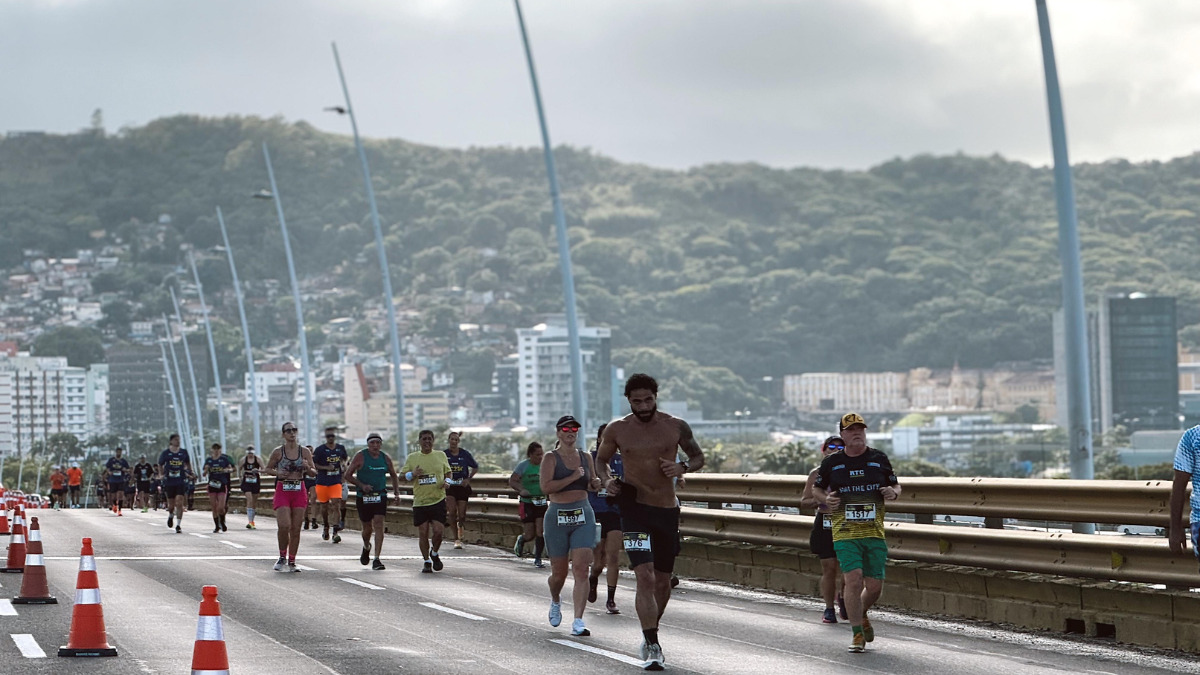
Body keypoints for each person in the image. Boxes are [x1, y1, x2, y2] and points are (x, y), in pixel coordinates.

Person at [597, 373, 705, 671]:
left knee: (662, 580)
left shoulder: (675, 426)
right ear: (628, 400)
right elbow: (601, 460)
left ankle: (649, 630)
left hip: (666, 510)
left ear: (656, 397)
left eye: (648, 400)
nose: (643, 406)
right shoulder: (617, 429)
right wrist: (607, 480)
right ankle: (653, 643)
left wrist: (681, 466)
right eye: (636, 401)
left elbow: (698, 457)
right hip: (634, 510)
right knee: (643, 575)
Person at [811, 413, 901, 654]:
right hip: (845, 532)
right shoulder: (832, 463)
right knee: (853, 579)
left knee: (873, 587)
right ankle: (856, 634)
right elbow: (816, 489)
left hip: (873, 532)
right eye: (851, 430)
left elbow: (895, 484)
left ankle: (860, 613)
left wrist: (894, 492)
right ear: (842, 435)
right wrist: (825, 499)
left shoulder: (878, 458)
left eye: (860, 428)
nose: (857, 433)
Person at [542, 415, 602, 637]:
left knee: (581, 568)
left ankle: (578, 619)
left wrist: (594, 483)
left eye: (574, 429)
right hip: (557, 515)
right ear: (558, 433)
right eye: (566, 429)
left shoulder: (586, 457)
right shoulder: (550, 458)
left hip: (582, 514)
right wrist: (572, 477)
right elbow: (545, 487)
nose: (571, 432)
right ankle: (556, 600)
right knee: (559, 573)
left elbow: (592, 483)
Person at [801, 436, 847, 623]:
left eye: (839, 446)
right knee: (829, 568)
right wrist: (822, 499)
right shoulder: (816, 474)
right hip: (825, 521)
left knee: (848, 567)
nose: (835, 449)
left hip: (847, 522)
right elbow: (803, 502)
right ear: (824, 449)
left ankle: (844, 597)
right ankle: (829, 608)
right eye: (831, 446)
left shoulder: (851, 471)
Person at [343, 432, 401, 570]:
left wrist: (396, 493)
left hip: (380, 495)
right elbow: (347, 475)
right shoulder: (360, 456)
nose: (375, 446)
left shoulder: (385, 458)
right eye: (372, 443)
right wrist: (362, 485)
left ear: (381, 444)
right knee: (367, 528)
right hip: (363, 496)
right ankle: (366, 546)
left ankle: (377, 558)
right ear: (368, 444)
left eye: (378, 443)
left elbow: (393, 474)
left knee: (379, 524)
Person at [265, 422, 316, 572]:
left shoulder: (305, 452)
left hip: (299, 488)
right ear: (283, 434)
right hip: (283, 488)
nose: (292, 433)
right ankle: (282, 556)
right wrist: (277, 473)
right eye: (288, 431)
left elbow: (314, 472)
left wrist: (307, 467)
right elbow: (268, 468)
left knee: (295, 528)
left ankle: (292, 560)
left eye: (294, 430)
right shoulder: (278, 452)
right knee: (284, 525)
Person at [400, 429, 452, 573]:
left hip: (438, 499)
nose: (427, 441)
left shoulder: (440, 455)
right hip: (420, 501)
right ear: (419, 441)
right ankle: (426, 561)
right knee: (423, 532)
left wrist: (447, 481)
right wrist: (413, 474)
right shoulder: (412, 458)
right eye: (424, 439)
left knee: (438, 532)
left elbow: (448, 471)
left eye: (429, 439)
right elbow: (401, 477)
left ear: (433, 440)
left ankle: (434, 553)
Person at [588, 423, 624, 615]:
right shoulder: (590, 459)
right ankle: (593, 578)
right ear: (599, 439)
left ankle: (610, 598)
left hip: (615, 513)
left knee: (613, 557)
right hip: (595, 511)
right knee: (599, 562)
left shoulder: (621, 460)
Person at [509, 442, 548, 567]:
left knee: (540, 531)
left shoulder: (545, 466)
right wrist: (521, 490)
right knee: (530, 534)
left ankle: (538, 558)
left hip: (541, 501)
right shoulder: (523, 466)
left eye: (542, 454)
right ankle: (522, 540)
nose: (540, 457)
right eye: (537, 455)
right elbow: (512, 481)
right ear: (530, 455)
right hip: (527, 503)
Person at [1169, 424, 1200, 572]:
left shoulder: (1192, 436)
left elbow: (1179, 485)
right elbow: (1179, 486)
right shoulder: (1192, 437)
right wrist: (1175, 528)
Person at [313, 426, 349, 543]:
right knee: (324, 507)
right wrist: (325, 467)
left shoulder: (340, 448)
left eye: (332, 436)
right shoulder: (320, 450)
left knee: (336, 504)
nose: (330, 438)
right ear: (325, 437)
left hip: (336, 481)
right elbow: (314, 465)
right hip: (323, 481)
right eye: (328, 436)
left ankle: (335, 531)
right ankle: (326, 526)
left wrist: (343, 465)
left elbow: (344, 459)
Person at [443, 431, 478, 549]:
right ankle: (456, 539)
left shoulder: (464, 454)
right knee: (452, 512)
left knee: (461, 515)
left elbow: (475, 466)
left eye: (456, 440)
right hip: (450, 487)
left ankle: (460, 526)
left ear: (458, 441)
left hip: (462, 486)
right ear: (448, 440)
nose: (453, 442)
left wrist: (468, 479)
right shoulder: (444, 455)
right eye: (452, 439)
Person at [158, 434, 193, 533]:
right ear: (171, 441)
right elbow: (160, 464)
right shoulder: (166, 453)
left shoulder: (183, 452)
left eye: (179, 440)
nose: (178, 441)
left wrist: (191, 472)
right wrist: (161, 474)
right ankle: (170, 515)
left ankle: (178, 525)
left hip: (180, 481)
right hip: (169, 481)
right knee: (171, 505)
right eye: (176, 440)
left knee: (179, 502)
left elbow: (188, 463)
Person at [203, 443, 235, 533]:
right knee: (214, 507)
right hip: (212, 485)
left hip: (222, 485)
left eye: (218, 449)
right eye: (214, 449)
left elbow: (232, 469)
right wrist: (206, 470)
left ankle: (222, 521)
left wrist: (228, 470)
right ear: (212, 450)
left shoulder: (224, 459)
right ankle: (217, 526)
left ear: (220, 450)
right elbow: (204, 473)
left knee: (221, 507)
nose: (216, 451)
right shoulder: (209, 460)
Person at [104, 447, 131, 515]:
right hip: (113, 480)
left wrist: (125, 470)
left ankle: (120, 510)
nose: (119, 453)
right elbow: (107, 468)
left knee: (121, 494)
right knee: (113, 495)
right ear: (116, 452)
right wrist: (109, 472)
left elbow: (128, 469)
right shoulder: (111, 460)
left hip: (121, 479)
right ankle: (114, 505)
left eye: (120, 452)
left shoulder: (123, 461)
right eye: (118, 452)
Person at [240, 446, 263, 529]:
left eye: (251, 453)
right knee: (249, 499)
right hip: (247, 482)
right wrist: (241, 477)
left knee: (254, 502)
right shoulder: (243, 460)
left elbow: (263, 469)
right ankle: (250, 521)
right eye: (249, 453)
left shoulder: (258, 459)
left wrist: (258, 471)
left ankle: (252, 521)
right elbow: (239, 469)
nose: (250, 455)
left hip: (255, 481)